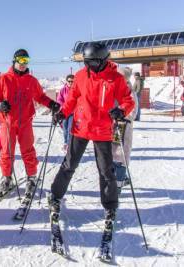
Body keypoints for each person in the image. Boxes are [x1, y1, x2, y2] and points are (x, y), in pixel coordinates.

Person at [50, 43, 134, 244]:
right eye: (86, 62)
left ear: (104, 60)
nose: (89, 66)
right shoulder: (81, 76)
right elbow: (71, 99)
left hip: (103, 130)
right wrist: (62, 112)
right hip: (81, 127)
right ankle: (55, 196)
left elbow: (128, 100)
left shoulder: (115, 78)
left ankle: (110, 205)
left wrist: (121, 111)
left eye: (93, 62)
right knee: (69, 165)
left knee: (106, 171)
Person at [0, 48, 60, 199]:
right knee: (7, 152)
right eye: (20, 61)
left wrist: (52, 104)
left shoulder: (31, 80)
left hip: (25, 122)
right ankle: (6, 177)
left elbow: (40, 96)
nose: (23, 64)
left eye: (26, 61)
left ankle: (32, 177)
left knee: (28, 151)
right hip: (7, 123)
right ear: (14, 61)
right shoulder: (3, 79)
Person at [112, 67, 138, 193]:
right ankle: (121, 179)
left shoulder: (129, 91)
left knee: (120, 156)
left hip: (122, 127)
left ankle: (118, 185)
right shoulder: (116, 88)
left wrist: (121, 115)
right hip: (112, 126)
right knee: (112, 156)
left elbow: (133, 112)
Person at [57, 74, 74, 152]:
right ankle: (65, 142)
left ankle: (68, 144)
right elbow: (59, 100)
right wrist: (63, 106)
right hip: (64, 112)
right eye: (69, 81)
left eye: (72, 81)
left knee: (70, 128)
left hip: (73, 112)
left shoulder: (76, 89)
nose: (71, 83)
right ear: (66, 81)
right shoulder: (63, 90)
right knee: (65, 128)